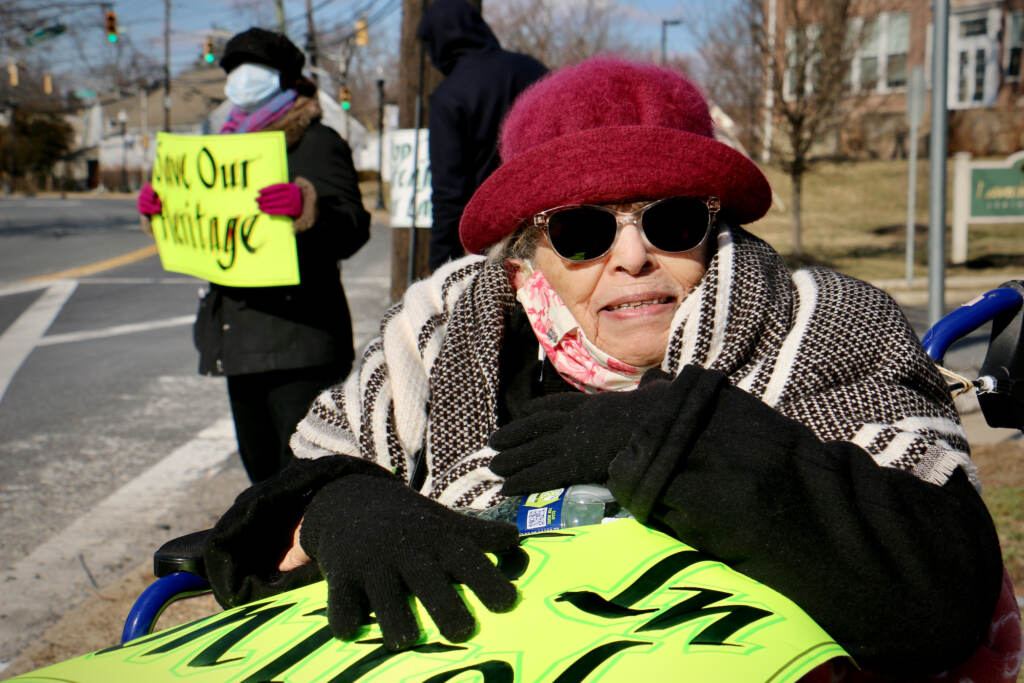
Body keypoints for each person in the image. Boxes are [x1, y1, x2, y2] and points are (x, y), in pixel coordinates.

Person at [202, 57, 1021, 680]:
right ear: (530, 249)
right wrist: (339, 505)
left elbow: (941, 593)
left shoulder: (817, 323)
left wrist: (682, 443)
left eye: (670, 219)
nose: (633, 257)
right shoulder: (445, 326)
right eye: (583, 231)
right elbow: (310, 469)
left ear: (716, 226)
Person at [137, 28, 370, 483]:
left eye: (253, 68)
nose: (239, 79)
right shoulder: (220, 148)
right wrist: (163, 210)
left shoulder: (315, 142)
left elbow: (353, 227)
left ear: (284, 77)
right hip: (239, 341)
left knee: (303, 485)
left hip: (299, 342)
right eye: (232, 69)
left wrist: (308, 210)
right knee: (261, 479)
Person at [416, 0, 547, 270]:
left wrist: (440, 265)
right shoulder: (534, 71)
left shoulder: (449, 96)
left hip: (490, 246)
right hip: (552, 232)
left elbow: (449, 194)